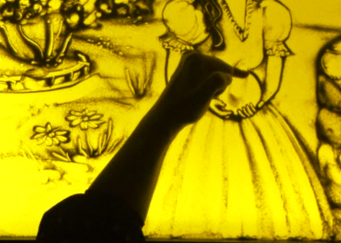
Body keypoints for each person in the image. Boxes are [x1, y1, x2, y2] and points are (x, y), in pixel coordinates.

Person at [142, 0, 332, 239]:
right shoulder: (191, 12)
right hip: (203, 116)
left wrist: (257, 102)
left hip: (255, 117)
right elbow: (174, 76)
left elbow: (273, 73)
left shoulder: (271, 12)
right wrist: (203, 101)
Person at [36, 51, 235, 242]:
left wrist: (166, 119)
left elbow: (88, 225)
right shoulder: (83, 224)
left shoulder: (70, 223)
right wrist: (167, 118)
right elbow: (98, 226)